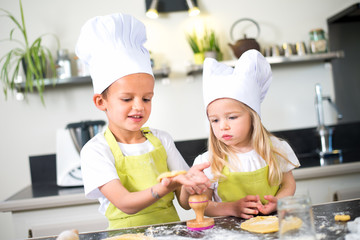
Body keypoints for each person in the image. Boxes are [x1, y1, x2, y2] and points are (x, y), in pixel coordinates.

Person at [75, 13, 210, 229]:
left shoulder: (162, 140)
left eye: (147, 98)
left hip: (171, 232)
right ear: (101, 101)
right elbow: (126, 203)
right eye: (127, 99)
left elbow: (184, 203)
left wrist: (194, 184)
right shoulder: (95, 150)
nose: (139, 106)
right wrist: (165, 187)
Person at [179, 49, 300, 219]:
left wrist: (278, 202)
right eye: (215, 120)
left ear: (253, 117)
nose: (223, 126)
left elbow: (289, 185)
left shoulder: (276, 149)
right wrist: (231, 208)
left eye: (232, 117)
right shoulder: (209, 162)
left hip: (274, 227)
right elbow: (203, 205)